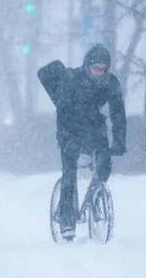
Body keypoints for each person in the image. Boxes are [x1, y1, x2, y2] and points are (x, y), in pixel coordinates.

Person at [37, 43, 127, 241]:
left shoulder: (111, 83)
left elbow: (118, 114)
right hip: (70, 129)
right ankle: (66, 221)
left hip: (94, 128)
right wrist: (66, 139)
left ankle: (96, 197)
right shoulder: (71, 80)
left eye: (102, 70)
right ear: (87, 66)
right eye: (95, 69)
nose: (98, 73)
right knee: (69, 172)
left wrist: (119, 142)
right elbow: (63, 112)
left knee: (104, 165)